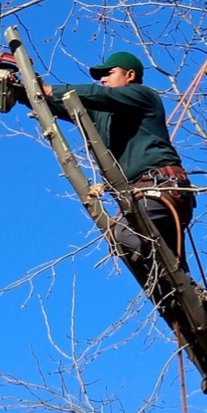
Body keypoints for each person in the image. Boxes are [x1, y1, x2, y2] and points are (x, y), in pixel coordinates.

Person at [25, 51, 195, 268]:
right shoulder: (103, 114)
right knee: (166, 274)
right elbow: (64, 105)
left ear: (130, 75)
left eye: (109, 73)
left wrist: (51, 89)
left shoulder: (143, 95)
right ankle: (183, 293)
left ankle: (173, 277)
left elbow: (95, 95)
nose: (102, 79)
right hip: (145, 194)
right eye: (100, 76)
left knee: (124, 235)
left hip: (160, 187)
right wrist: (23, 92)